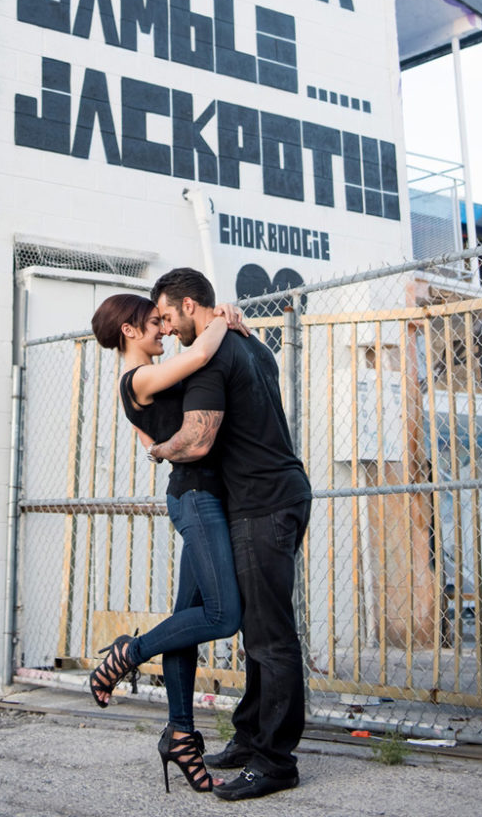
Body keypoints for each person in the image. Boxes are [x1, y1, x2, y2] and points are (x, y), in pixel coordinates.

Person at [152, 268, 312, 802]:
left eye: (170, 317)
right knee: (259, 631)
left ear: (192, 305)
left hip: (262, 503)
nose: (170, 331)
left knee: (270, 636)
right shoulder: (248, 343)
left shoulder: (214, 353)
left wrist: (160, 449)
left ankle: (275, 761)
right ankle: (249, 738)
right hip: (283, 492)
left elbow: (198, 441)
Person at [89, 292, 244, 794]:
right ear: (129, 332)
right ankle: (127, 654)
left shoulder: (145, 383)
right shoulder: (136, 378)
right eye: (153, 323)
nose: (163, 329)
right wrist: (221, 317)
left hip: (202, 497)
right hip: (197, 501)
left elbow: (150, 445)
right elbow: (199, 356)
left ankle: (180, 733)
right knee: (224, 616)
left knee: (186, 622)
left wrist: (160, 448)